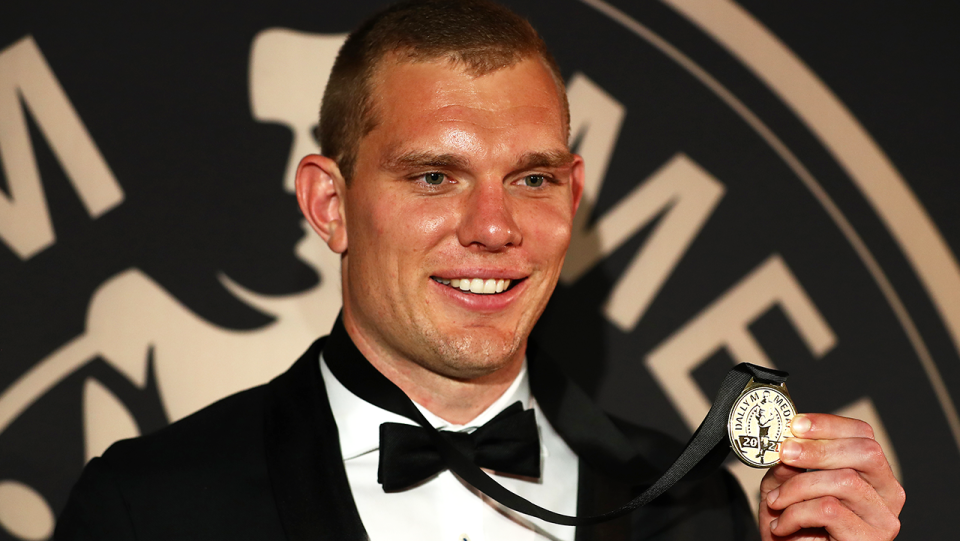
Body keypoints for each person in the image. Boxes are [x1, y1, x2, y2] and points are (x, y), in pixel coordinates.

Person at [55, 1, 904, 540]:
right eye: (434, 177)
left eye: (531, 179)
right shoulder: (149, 510)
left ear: (573, 196)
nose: (494, 227)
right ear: (329, 205)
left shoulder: (689, 509)